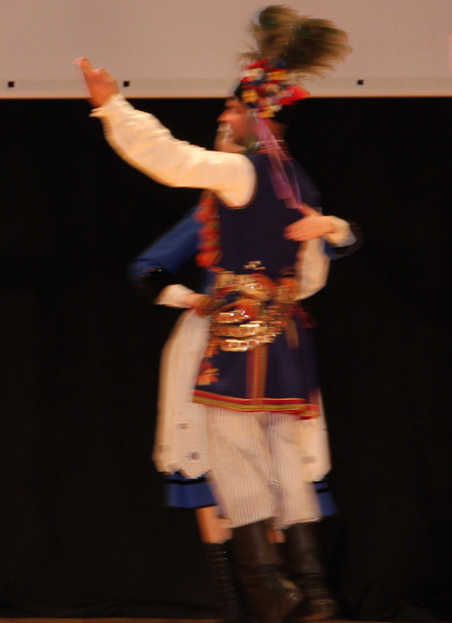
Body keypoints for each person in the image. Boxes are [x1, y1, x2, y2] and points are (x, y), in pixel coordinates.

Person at [79, 4, 352, 623]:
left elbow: (171, 159)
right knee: (286, 457)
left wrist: (112, 106)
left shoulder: (242, 171)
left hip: (237, 340)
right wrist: (334, 233)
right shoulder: (299, 182)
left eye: (231, 110)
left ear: (257, 115)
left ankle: (271, 588)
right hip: (285, 341)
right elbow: (310, 278)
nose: (224, 119)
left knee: (234, 456)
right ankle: (312, 591)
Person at [129, 144, 355, 623]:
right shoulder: (212, 210)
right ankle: (242, 604)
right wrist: (191, 299)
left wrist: (333, 228)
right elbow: (148, 268)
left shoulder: (292, 198)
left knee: (278, 464)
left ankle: (298, 592)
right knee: (213, 468)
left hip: (277, 341)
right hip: (216, 341)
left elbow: (331, 246)